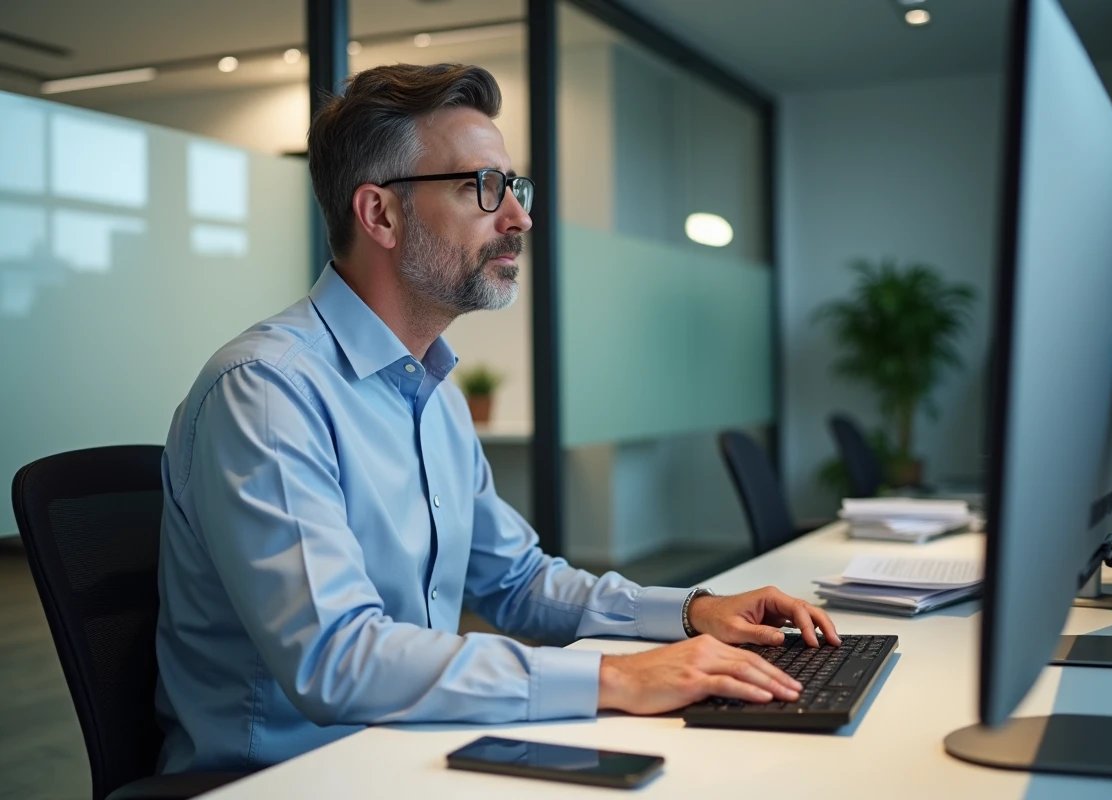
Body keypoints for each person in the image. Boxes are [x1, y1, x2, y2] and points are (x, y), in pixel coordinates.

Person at [154, 62, 839, 774]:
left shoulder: (433, 392)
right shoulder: (268, 391)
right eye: (481, 188)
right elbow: (336, 658)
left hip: (410, 750)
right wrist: (617, 678)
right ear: (380, 214)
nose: (518, 217)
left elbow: (515, 582)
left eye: (514, 187)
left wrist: (692, 611)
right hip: (291, 779)